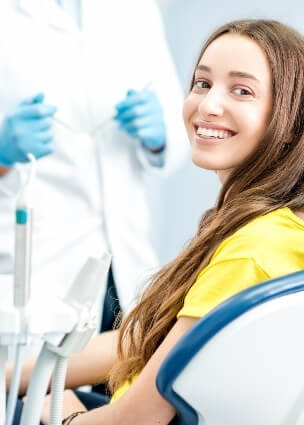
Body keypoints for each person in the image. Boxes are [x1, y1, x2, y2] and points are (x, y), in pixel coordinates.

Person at [11, 18, 304, 424]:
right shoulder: (292, 226)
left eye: (242, 90)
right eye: (202, 83)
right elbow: (150, 340)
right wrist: (22, 375)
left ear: (290, 121)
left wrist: (60, 411)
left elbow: (135, 420)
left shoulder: (251, 252)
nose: (208, 105)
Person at [0, 0, 187, 341]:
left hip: (124, 258)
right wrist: (2, 152)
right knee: (34, 387)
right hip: (37, 260)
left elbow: (180, 129)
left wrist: (161, 136)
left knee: (120, 378)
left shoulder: (137, 9)